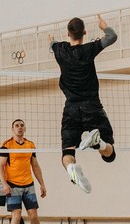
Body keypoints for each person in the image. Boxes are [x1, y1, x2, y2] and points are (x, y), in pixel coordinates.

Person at [49, 14, 118, 194]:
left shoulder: (59, 50)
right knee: (110, 155)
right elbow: (112, 37)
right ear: (84, 33)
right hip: (92, 105)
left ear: (68, 33)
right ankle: (99, 144)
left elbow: (52, 44)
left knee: (67, 153)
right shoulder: (89, 49)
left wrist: (52, 41)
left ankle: (71, 169)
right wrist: (104, 27)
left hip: (70, 108)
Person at [0, 119, 47, 224]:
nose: (19, 128)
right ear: (12, 129)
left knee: (33, 215)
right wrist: (4, 184)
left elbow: (35, 165)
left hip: (28, 185)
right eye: (17, 126)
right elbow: (0, 166)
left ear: (25, 128)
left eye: (22, 125)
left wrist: (42, 184)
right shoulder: (6, 145)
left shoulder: (30, 145)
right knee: (16, 215)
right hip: (13, 185)